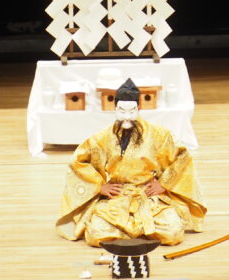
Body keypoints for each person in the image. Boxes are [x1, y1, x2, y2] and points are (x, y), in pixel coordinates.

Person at [56, 78, 206, 247]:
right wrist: (99, 186)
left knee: (172, 233)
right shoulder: (102, 138)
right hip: (118, 195)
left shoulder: (159, 135)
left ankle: (127, 231)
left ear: (139, 107)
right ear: (115, 108)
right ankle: (139, 231)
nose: (127, 117)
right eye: (122, 110)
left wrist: (164, 183)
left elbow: (183, 157)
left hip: (149, 195)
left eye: (131, 111)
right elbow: (78, 162)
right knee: (96, 233)